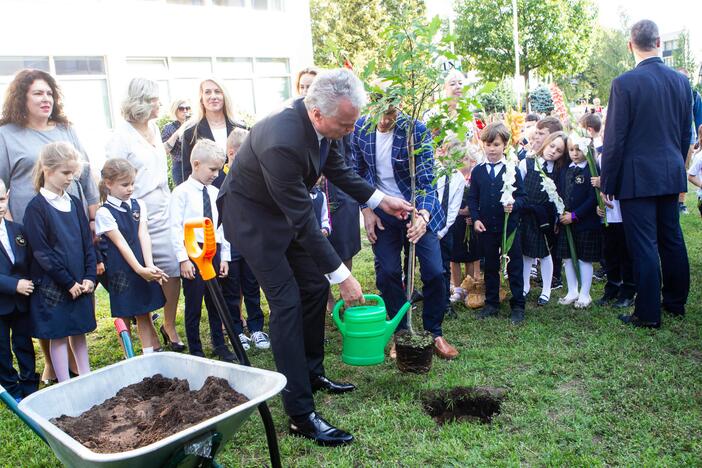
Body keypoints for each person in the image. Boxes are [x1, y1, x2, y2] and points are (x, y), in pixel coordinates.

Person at [218, 68, 412, 446]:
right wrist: (343, 275)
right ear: (317, 113)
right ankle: (300, 414)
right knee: (287, 302)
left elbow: (336, 169)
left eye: (353, 121)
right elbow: (305, 224)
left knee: (310, 286)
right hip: (253, 220)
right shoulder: (282, 140)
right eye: (346, 123)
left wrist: (378, 199)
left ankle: (311, 372)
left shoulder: (329, 124)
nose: (351, 130)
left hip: (284, 212)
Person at [0, 68, 100, 384]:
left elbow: (84, 173)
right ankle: (53, 363)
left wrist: (94, 212)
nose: (46, 99)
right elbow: (2, 181)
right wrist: (11, 227)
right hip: (31, 227)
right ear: (21, 97)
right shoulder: (6, 134)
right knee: (46, 295)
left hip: (72, 220)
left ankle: (70, 364)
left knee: (74, 289)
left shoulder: (66, 129)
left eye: (49, 93)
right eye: (37, 93)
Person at [600, 20, 691, 328]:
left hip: (637, 177)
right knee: (672, 238)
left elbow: (614, 138)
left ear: (630, 45)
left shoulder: (625, 83)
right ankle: (675, 302)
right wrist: (677, 164)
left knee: (643, 244)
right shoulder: (681, 82)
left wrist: (608, 181)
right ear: (659, 42)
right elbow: (683, 133)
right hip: (670, 168)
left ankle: (648, 314)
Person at [353, 103, 458, 360]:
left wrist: (422, 215)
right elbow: (356, 173)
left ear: (398, 111)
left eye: (391, 114)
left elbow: (426, 180)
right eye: (380, 114)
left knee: (434, 271)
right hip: (382, 211)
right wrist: (367, 209)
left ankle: (434, 332)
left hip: (415, 208)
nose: (385, 120)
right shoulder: (360, 129)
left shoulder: (416, 130)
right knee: (388, 272)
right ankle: (400, 333)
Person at [105, 78, 183, 351]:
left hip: (163, 206)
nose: (159, 104)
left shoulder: (154, 127)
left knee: (173, 267)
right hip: (135, 211)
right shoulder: (121, 137)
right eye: (154, 100)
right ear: (140, 102)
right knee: (143, 274)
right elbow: (113, 176)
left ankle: (169, 323)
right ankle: (147, 336)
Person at [23, 142, 96, 382]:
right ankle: (65, 382)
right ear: (47, 169)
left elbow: (87, 242)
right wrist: (67, 282)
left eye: (73, 174)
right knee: (59, 333)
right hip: (54, 285)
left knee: (79, 330)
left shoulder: (74, 202)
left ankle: (85, 376)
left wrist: (89, 276)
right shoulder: (36, 208)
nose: (70, 179)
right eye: (66, 173)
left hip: (80, 280)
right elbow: (42, 252)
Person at [170, 139, 236, 362]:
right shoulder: (181, 193)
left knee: (216, 300)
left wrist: (224, 256)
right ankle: (196, 349)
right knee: (194, 303)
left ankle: (220, 343)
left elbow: (222, 226)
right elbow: (175, 227)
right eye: (213, 169)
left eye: (219, 169)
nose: (216, 174)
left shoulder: (216, 192)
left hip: (213, 250)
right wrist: (183, 259)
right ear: (196, 164)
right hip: (193, 252)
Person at [95, 158, 167, 354]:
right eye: (125, 184)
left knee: (144, 311)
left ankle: (148, 354)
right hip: (121, 271)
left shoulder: (139, 205)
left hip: (141, 264)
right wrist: (139, 269)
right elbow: (120, 243)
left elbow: (143, 234)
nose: (130, 188)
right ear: (108, 184)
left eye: (132, 183)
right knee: (124, 314)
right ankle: (130, 357)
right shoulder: (104, 212)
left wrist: (149, 265)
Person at [468, 123, 526, 324]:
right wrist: (475, 219)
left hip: (508, 228)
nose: (492, 149)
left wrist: (514, 204)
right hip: (487, 228)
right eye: (488, 144)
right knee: (490, 265)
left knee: (514, 265)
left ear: (505, 145)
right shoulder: (478, 172)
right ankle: (492, 302)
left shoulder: (513, 170)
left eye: (496, 144)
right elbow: (473, 198)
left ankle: (518, 304)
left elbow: (523, 197)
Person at [224, 128, 270, 351]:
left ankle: (256, 328)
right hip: (229, 246)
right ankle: (236, 329)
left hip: (251, 244)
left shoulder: (254, 177)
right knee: (232, 290)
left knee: (252, 287)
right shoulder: (219, 180)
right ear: (231, 154)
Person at [519, 132, 568, 306]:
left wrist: (555, 218)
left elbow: (560, 195)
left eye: (559, 150)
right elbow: (519, 188)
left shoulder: (558, 170)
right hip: (527, 214)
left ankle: (546, 288)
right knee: (526, 252)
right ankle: (525, 286)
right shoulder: (527, 163)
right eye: (552, 146)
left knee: (546, 253)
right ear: (545, 143)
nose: (553, 151)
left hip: (545, 217)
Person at [0, 180, 38, 401]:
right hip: (2, 301)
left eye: (2, 199)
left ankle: (30, 384)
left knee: (24, 343)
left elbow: (29, 261)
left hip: (22, 301)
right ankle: (11, 388)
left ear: (9, 195)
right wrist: (14, 285)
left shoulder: (18, 230)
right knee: (2, 349)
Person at [556, 136, 601, 309]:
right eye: (571, 150)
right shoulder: (566, 169)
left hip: (585, 222)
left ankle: (585, 293)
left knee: (584, 259)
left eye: (579, 149)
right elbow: (560, 191)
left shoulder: (591, 170)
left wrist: (575, 215)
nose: (575, 153)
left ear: (588, 150)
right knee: (567, 257)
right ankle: (572, 290)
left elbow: (592, 199)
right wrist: (562, 213)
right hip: (566, 221)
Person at [180, 78, 246, 182]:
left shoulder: (240, 127)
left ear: (224, 96)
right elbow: (187, 171)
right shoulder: (191, 132)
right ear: (201, 98)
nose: (213, 96)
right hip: (207, 194)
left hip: (239, 191)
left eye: (217, 91)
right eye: (207, 92)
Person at [161, 99, 191, 185]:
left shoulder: (194, 125)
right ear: (175, 110)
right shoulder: (169, 128)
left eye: (187, 108)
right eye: (181, 108)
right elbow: (164, 151)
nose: (185, 111)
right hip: (179, 166)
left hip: (196, 164)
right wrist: (178, 132)